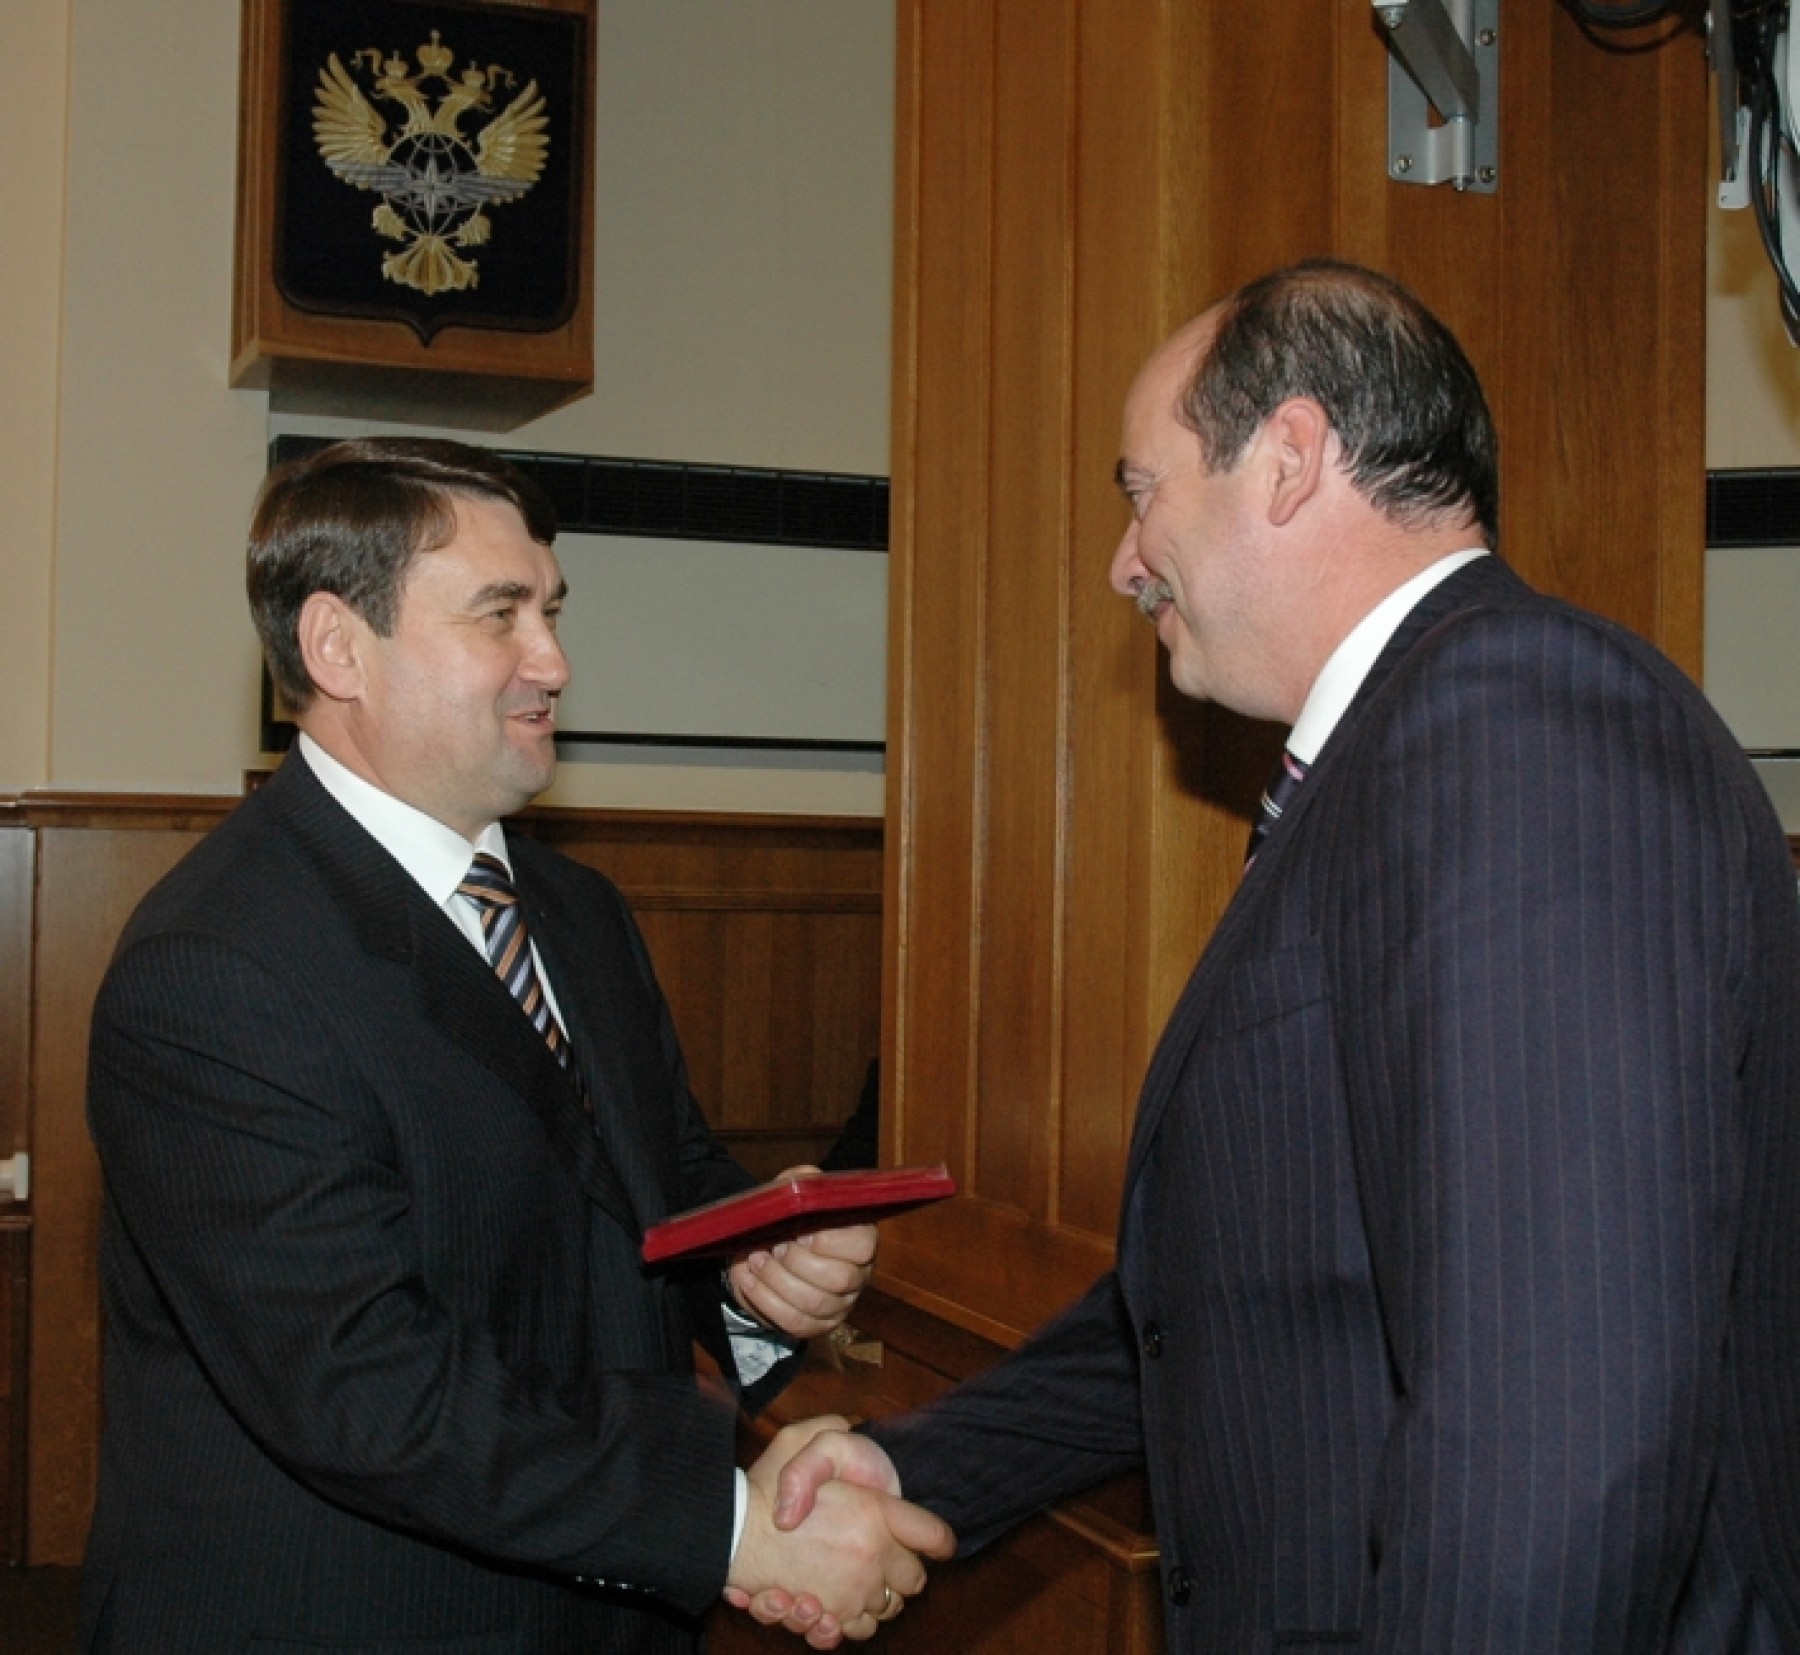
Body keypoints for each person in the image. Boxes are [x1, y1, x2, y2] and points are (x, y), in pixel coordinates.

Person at [751, 261, 1800, 1650]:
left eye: (1144, 490)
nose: (1126, 559)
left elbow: (1555, 1418)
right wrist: (918, 1468)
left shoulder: (1518, 724)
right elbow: (1241, 1293)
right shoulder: (1405, 743)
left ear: (1291, 459)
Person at [79, 438, 951, 1653]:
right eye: (501, 614)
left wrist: (756, 1266)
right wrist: (730, 1522)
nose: (553, 661)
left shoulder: (578, 911)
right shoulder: (214, 965)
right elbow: (366, 1388)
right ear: (338, 648)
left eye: (551, 611)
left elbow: (654, 1191)